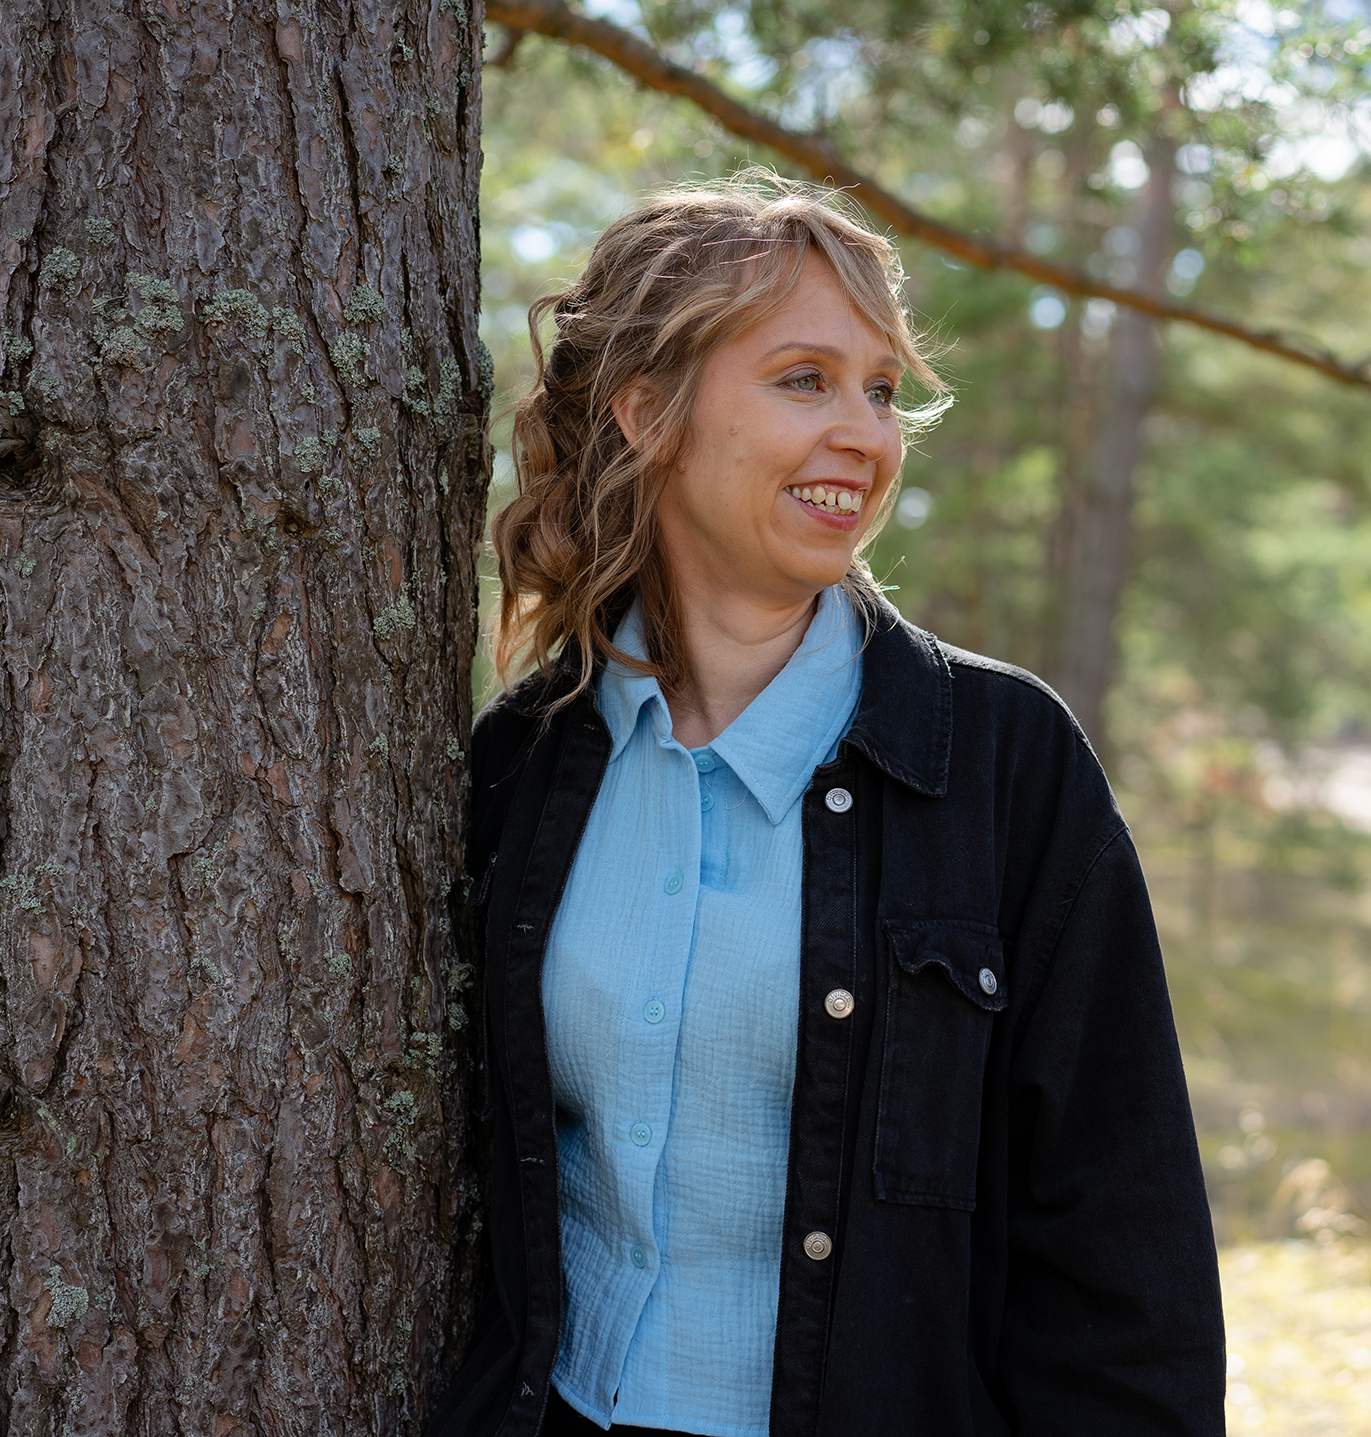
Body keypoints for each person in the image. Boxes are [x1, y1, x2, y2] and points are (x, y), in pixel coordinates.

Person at [429, 171, 1225, 1437]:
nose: (864, 432)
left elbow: (1124, 1253)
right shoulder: (520, 763)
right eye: (804, 379)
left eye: (882, 389)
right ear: (647, 412)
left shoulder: (1007, 764)